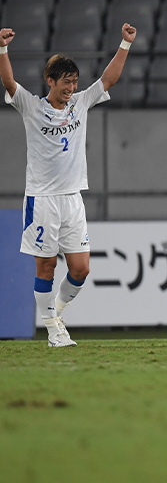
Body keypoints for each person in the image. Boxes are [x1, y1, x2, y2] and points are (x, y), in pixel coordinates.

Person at [1, 23, 137, 347]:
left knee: (81, 268)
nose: (71, 87)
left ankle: (56, 313)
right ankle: (52, 330)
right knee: (46, 265)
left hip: (73, 198)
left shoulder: (79, 104)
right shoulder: (32, 107)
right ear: (50, 80)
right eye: (66, 81)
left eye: (74, 81)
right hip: (42, 198)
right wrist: (2, 49)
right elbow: (8, 82)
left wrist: (125, 44)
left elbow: (109, 79)